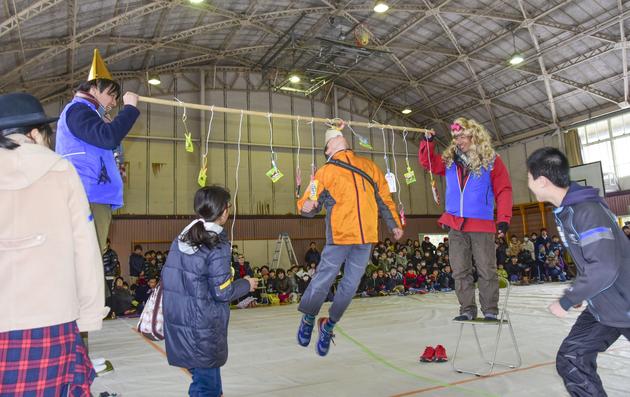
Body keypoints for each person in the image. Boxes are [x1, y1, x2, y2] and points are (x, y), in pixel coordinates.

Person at [0, 93, 106, 395]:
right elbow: (84, 250)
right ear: (35, 133)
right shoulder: (60, 169)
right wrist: (89, 314)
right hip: (51, 322)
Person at [526, 147, 630, 397]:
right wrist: (585, 291)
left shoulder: (586, 211)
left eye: (528, 178)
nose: (528, 184)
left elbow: (604, 266)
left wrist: (568, 298)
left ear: (542, 181)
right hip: (605, 305)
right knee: (572, 358)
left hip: (624, 300)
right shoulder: (568, 210)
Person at [296, 127, 403, 356]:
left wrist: (394, 224)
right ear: (329, 149)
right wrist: (305, 206)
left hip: (366, 238)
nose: (336, 137)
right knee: (324, 278)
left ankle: (329, 324)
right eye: (332, 138)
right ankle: (308, 316)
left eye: (337, 136)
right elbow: (309, 201)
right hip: (340, 235)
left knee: (351, 286)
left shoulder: (370, 167)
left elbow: (385, 199)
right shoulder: (325, 172)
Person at [162, 186, 258, 397]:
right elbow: (222, 292)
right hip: (202, 327)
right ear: (223, 211)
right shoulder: (216, 245)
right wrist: (245, 284)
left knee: (207, 382)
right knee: (207, 388)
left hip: (180, 321)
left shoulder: (182, 239)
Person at [419, 118, 513, 321]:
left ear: (474, 135)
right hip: (455, 224)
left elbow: (504, 190)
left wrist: (504, 218)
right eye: (455, 137)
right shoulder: (450, 161)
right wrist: (427, 142)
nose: (458, 141)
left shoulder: (491, 160)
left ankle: (490, 310)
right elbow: (428, 162)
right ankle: (467, 309)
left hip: (481, 223)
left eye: (462, 136)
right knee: (460, 270)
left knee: (486, 269)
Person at [55, 48, 139, 256]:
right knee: (88, 254)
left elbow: (107, 140)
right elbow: (108, 137)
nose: (113, 103)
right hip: (87, 192)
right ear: (93, 89)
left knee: (91, 252)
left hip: (94, 193)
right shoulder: (78, 110)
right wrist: (129, 109)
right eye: (111, 96)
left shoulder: (89, 115)